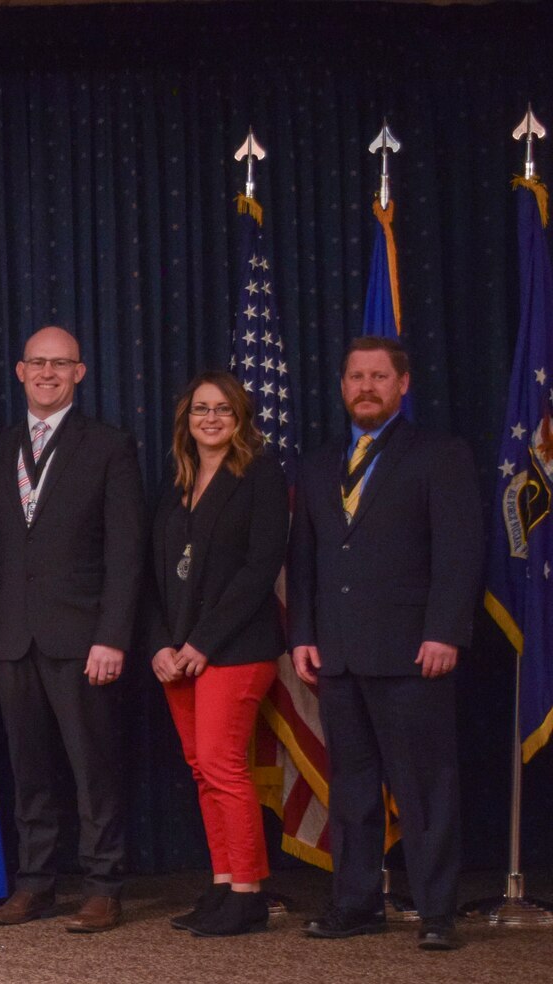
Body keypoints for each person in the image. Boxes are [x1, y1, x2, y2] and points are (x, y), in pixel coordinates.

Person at [289, 336, 482, 951]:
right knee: (351, 787)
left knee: (424, 786)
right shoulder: (319, 464)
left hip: (411, 652)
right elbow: (307, 558)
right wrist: (303, 635)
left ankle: (435, 913)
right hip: (338, 655)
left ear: (403, 385)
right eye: (355, 377)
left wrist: (445, 630)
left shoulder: (439, 454)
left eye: (378, 376)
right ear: (342, 386)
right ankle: (356, 903)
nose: (365, 386)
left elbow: (460, 551)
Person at [0, 327, 143, 933]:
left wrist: (113, 635)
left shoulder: (109, 447)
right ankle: (35, 883)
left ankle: (102, 885)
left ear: (79, 373)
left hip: (83, 639)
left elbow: (127, 553)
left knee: (94, 768)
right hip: (11, 639)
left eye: (60, 364)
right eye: (37, 363)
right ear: (19, 371)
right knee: (28, 767)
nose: (47, 373)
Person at [143, 373, 289, 937]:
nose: (211, 419)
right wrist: (160, 644)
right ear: (187, 420)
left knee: (223, 766)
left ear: (240, 418)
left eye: (222, 410)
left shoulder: (260, 476)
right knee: (203, 770)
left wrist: (202, 643)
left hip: (233, 649)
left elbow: (259, 570)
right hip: (175, 654)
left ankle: (249, 893)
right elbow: (154, 576)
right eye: (201, 409)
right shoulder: (174, 483)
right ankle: (224, 882)